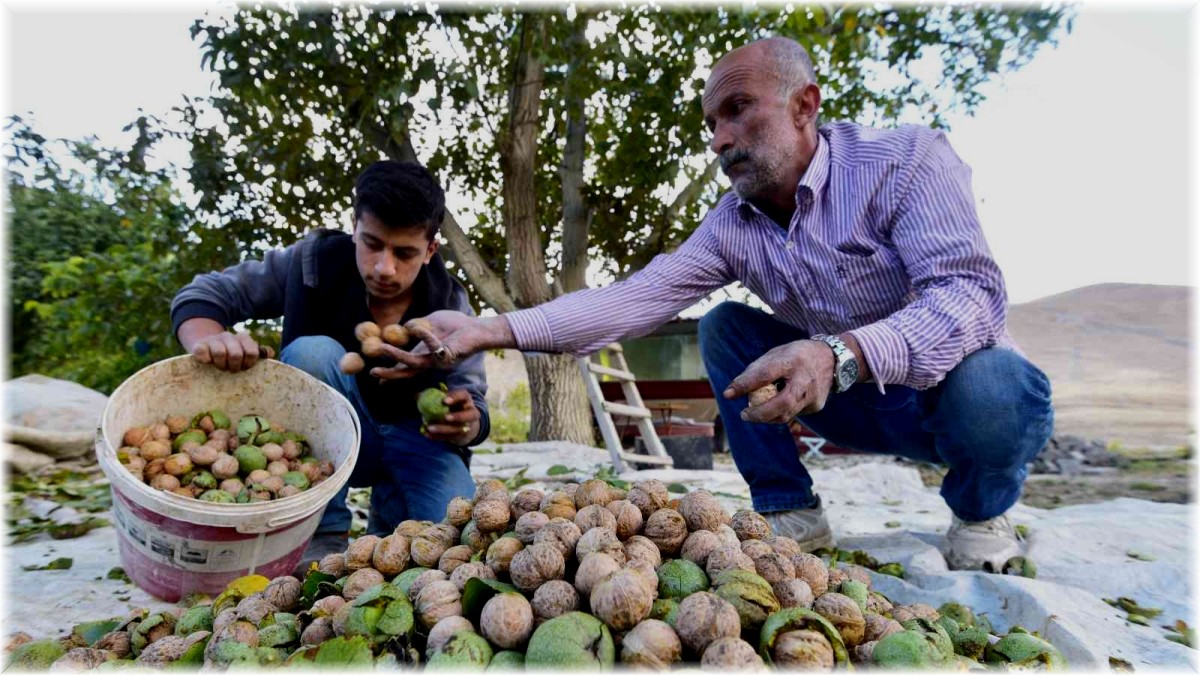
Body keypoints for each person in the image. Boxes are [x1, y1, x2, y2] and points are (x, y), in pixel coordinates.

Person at [388, 37, 1053, 572]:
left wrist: (841, 353)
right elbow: (634, 298)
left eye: (737, 110)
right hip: (847, 405)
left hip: (947, 399)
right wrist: (489, 328)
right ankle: (791, 507)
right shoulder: (733, 224)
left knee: (996, 381)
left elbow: (969, 297)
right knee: (725, 327)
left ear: (804, 105)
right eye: (711, 123)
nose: (718, 139)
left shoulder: (905, 161)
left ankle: (979, 510)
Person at [170, 160, 489, 571]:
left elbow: (475, 405)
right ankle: (322, 529)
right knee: (312, 354)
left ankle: (389, 514)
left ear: (430, 250)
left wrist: (467, 423)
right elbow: (205, 294)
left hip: (418, 445)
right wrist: (208, 339)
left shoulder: (453, 304)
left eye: (404, 253)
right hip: (325, 445)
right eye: (372, 243)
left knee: (453, 543)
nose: (383, 268)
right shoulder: (311, 264)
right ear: (354, 227)